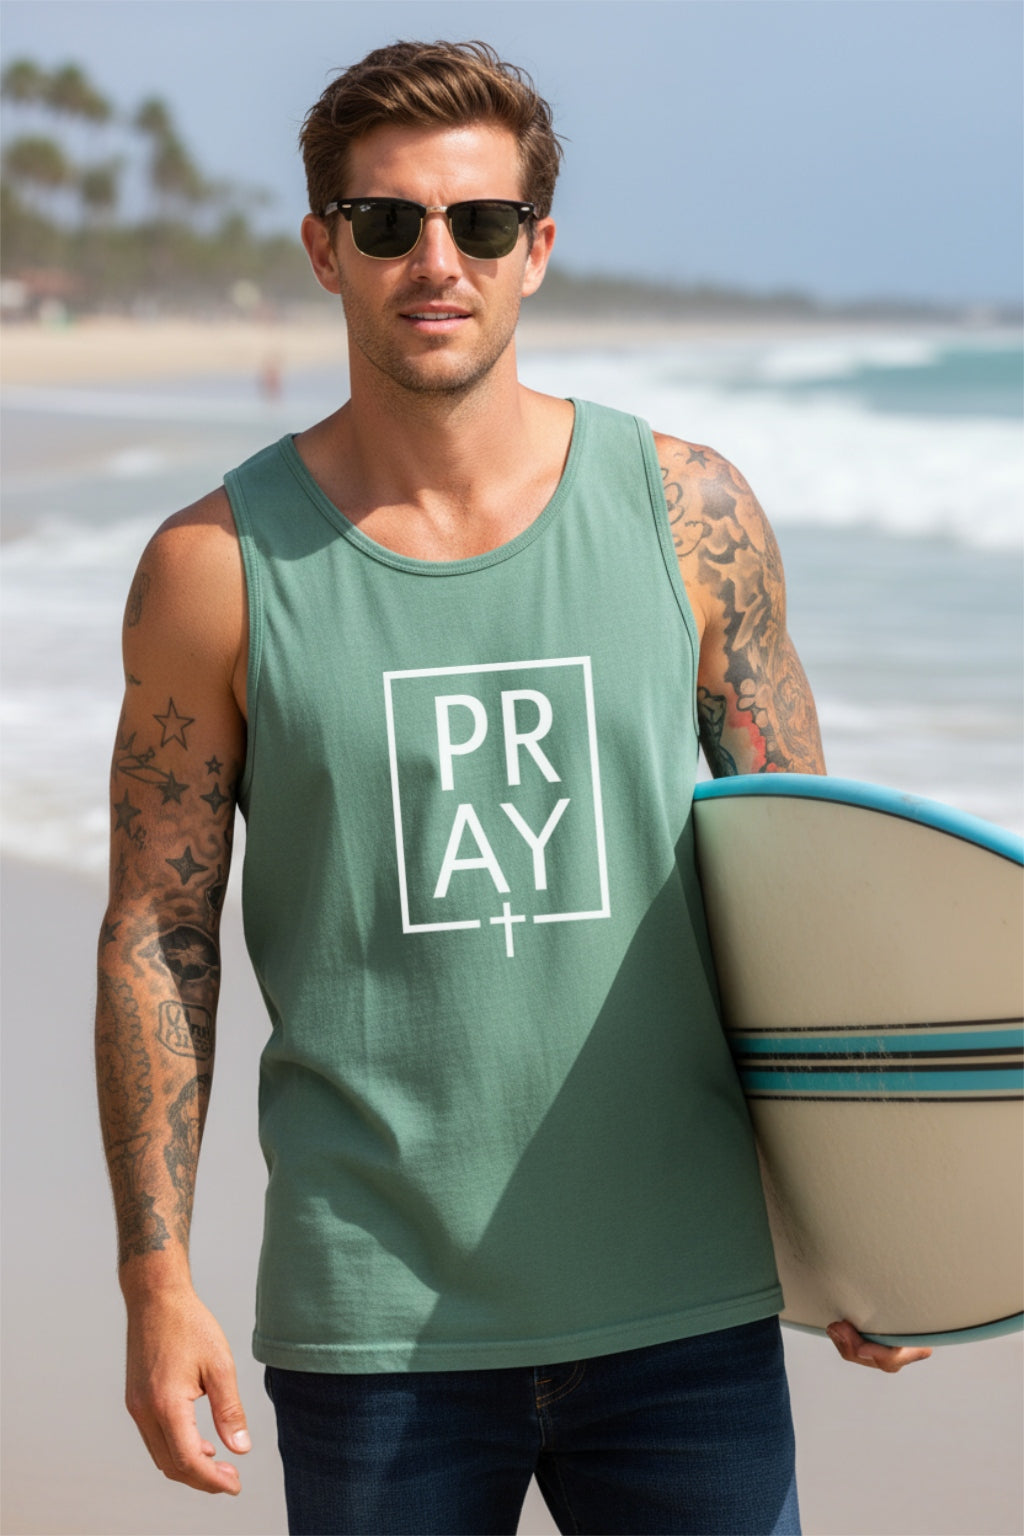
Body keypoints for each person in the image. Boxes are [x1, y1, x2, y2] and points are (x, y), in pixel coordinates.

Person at [96, 39, 930, 1536]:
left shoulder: (688, 515)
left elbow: (803, 883)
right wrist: (156, 1283)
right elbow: (159, 935)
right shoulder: (214, 570)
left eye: (480, 222)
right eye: (388, 222)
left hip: (684, 1305)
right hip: (375, 1328)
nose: (438, 260)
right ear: (324, 250)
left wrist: (865, 1223)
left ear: (535, 249)